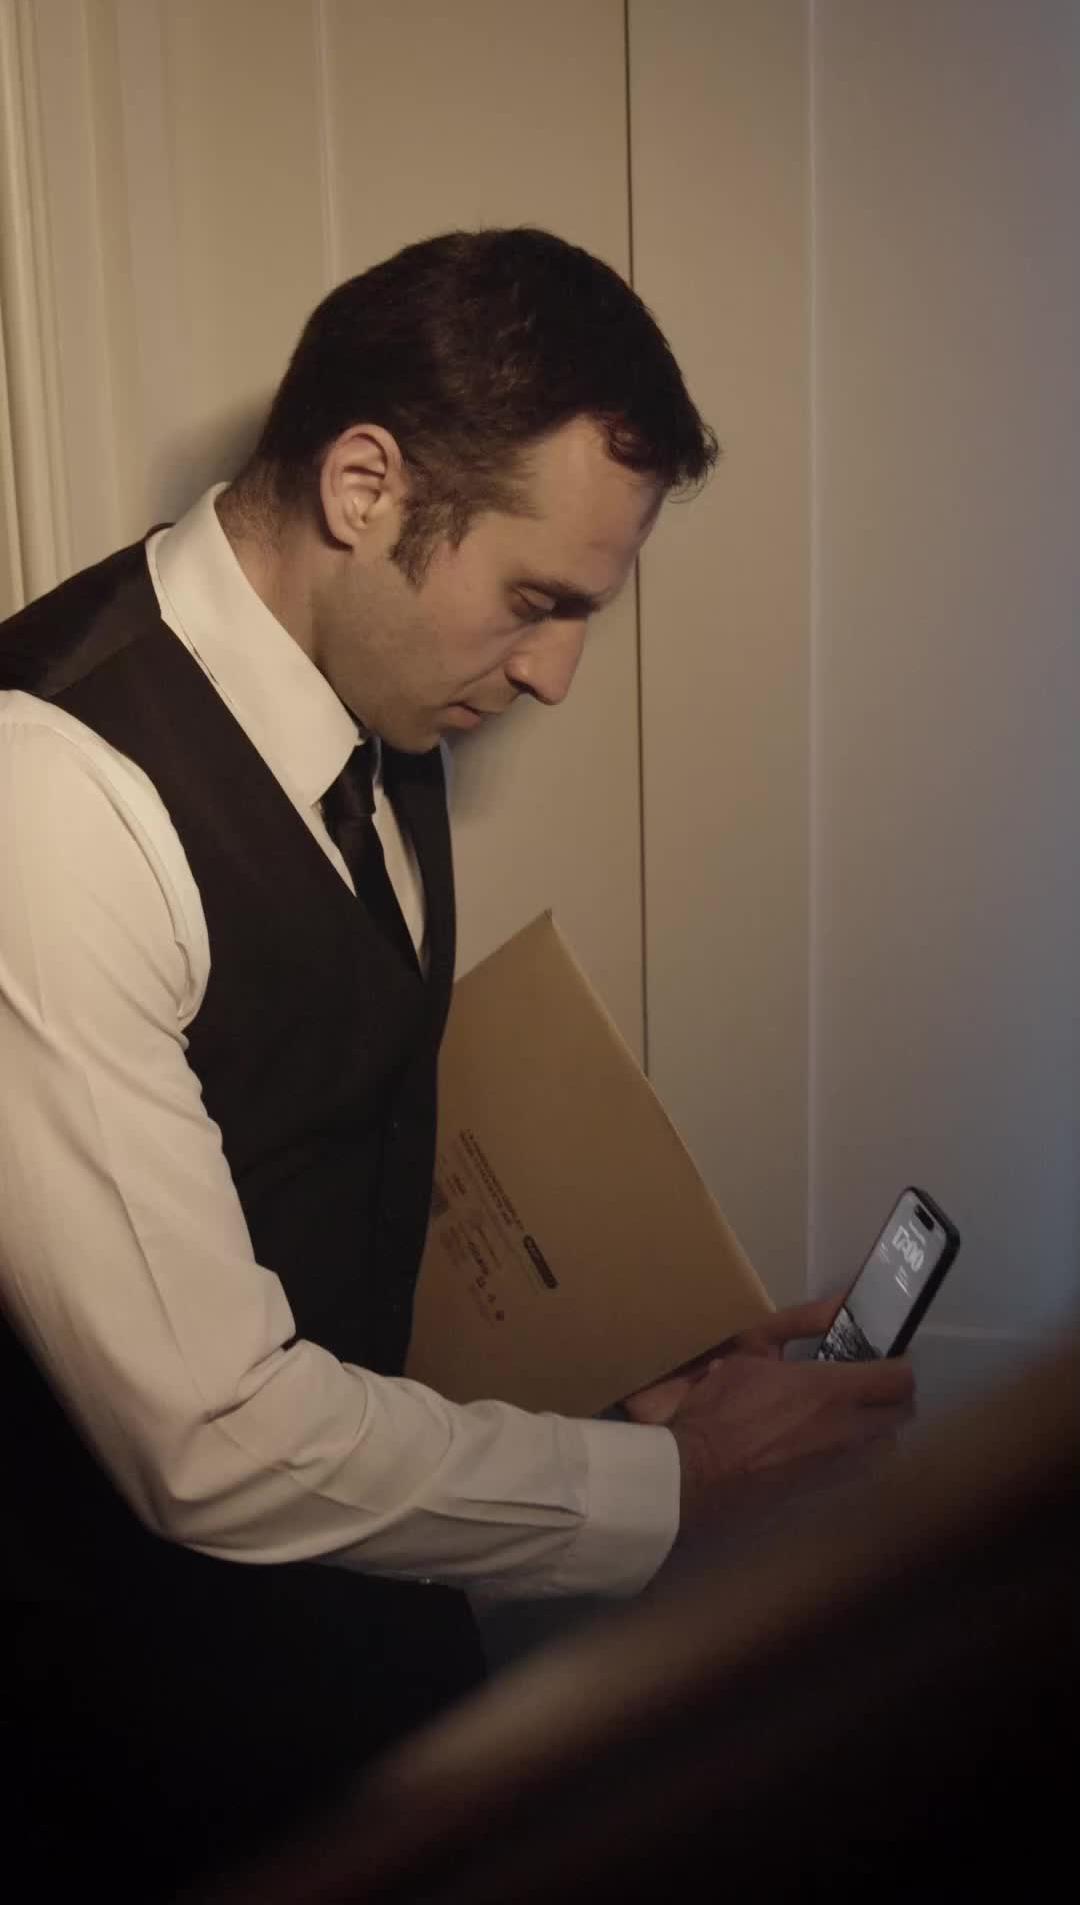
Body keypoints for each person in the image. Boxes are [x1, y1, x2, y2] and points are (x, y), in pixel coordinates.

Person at [0, 227, 912, 1897]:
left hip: (371, 1650)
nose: (556, 674)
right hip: (141, 1741)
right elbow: (209, 1434)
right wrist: (676, 1482)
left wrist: (612, 1390)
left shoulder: (379, 689)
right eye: (537, 603)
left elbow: (312, 1167)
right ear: (366, 486)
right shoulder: (44, 801)